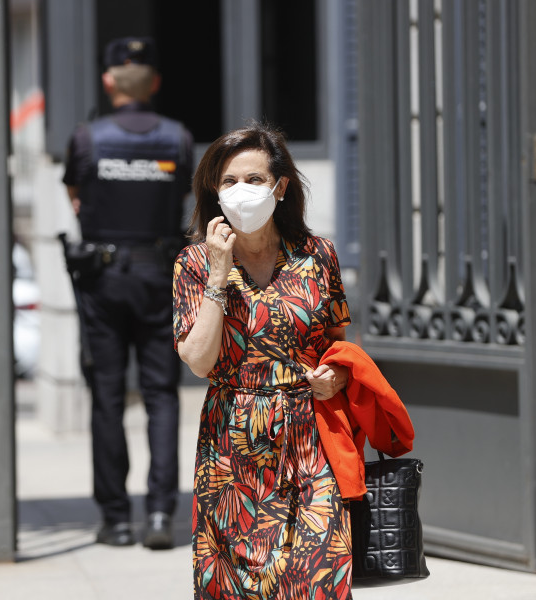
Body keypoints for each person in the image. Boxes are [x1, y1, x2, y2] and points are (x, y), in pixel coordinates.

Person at [172, 122, 368, 598]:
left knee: (320, 575)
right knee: (240, 586)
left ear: (279, 188)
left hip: (310, 436)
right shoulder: (194, 264)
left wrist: (337, 374)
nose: (242, 191)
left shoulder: (318, 256)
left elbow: (336, 340)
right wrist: (219, 272)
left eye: (254, 180)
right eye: (229, 182)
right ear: (214, 192)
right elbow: (198, 361)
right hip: (233, 443)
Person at [62, 36, 193, 550]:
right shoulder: (177, 139)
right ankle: (161, 514)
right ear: (155, 82)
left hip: (104, 281)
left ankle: (116, 519)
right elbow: (181, 195)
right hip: (160, 278)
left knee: (107, 398)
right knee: (162, 396)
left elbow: (76, 196)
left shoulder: (87, 139)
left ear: (108, 81)